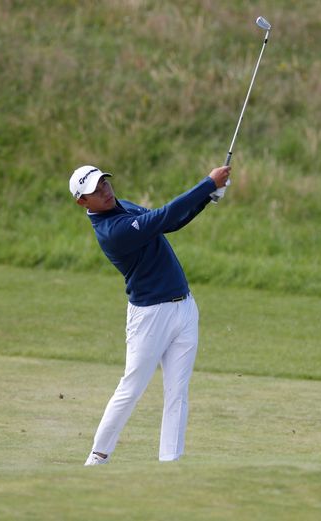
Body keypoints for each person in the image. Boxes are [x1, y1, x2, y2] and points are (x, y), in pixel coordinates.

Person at [69, 164, 231, 465]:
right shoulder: (112, 232)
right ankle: (98, 456)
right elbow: (163, 216)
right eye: (95, 191)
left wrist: (207, 199)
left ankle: (170, 462)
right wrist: (208, 184)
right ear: (82, 202)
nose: (105, 191)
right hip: (150, 317)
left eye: (104, 183)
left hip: (184, 307)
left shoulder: (123, 207)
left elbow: (170, 223)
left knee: (178, 392)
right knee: (131, 388)